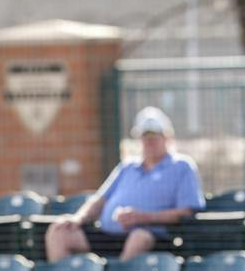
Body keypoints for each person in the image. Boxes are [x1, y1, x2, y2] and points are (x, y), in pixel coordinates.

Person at [44, 107, 204, 262]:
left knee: (139, 237)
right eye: (145, 137)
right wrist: (78, 219)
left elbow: (187, 210)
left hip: (150, 235)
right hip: (107, 235)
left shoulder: (182, 166)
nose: (150, 142)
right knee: (59, 231)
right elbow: (100, 200)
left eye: (155, 136)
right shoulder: (127, 166)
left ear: (167, 137)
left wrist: (143, 218)